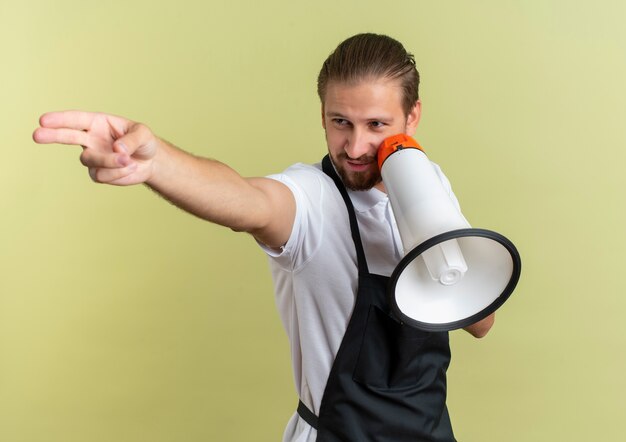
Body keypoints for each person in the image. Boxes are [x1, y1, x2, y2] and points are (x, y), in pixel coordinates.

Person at [34, 33, 494, 442]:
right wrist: (157, 164)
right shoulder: (313, 199)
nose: (355, 148)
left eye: (376, 125)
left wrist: (424, 224)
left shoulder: (428, 181)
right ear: (322, 115)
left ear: (411, 117)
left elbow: (480, 323)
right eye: (340, 122)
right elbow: (248, 201)